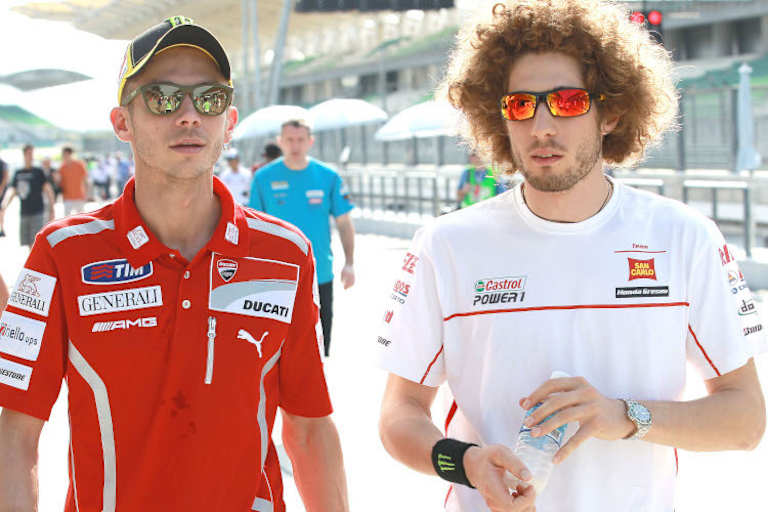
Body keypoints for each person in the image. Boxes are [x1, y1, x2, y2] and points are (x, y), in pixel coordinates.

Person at [375, 2, 766, 512]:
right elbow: (398, 414)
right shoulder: (446, 245)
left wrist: (625, 416)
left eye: (566, 101)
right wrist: (466, 462)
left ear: (613, 113)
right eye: (520, 105)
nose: (541, 126)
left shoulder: (684, 237)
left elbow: (745, 420)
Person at [0, 16, 348, 512]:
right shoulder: (60, 252)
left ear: (228, 122)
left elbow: (311, 429)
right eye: (163, 98)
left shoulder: (286, 253)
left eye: (209, 99)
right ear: (123, 122)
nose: (189, 116)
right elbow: (14, 433)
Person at [250, 119, 356, 357]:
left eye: (300, 140)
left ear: (310, 142)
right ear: (280, 142)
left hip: (320, 273)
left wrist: (349, 263)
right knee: (279, 348)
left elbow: (344, 222)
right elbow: (254, 226)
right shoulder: (263, 178)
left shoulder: (328, 176)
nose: (294, 145)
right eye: (289, 140)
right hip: (277, 276)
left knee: (319, 347)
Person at [0, 145, 55, 248]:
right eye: (28, 154)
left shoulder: (38, 172)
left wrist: (52, 207)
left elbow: (48, 189)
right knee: (27, 242)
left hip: (38, 210)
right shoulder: (18, 172)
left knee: (35, 241)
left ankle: (35, 264)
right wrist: (5, 204)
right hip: (24, 211)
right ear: (24, 154)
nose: (30, 156)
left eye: (32, 154)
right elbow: (13, 190)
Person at [58, 146, 89, 216]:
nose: (64, 156)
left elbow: (85, 180)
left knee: (81, 219)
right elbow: (60, 183)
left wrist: (86, 194)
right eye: (63, 155)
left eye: (65, 154)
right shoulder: (62, 167)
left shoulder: (79, 165)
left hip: (79, 196)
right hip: (67, 198)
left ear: (70, 154)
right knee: (67, 219)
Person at [0, 157, 8, 237]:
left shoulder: (3, 163)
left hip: (1, 191)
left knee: (1, 209)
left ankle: (2, 228)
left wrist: (1, 189)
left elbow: (6, 176)